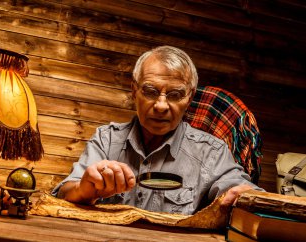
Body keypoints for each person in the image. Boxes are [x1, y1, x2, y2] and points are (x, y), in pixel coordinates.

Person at [52, 46, 262, 215]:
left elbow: (241, 188)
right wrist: (83, 190)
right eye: (150, 91)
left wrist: (246, 194)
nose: (161, 105)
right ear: (134, 91)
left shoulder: (211, 152)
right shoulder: (107, 139)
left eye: (175, 95)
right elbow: (64, 193)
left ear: (189, 98)